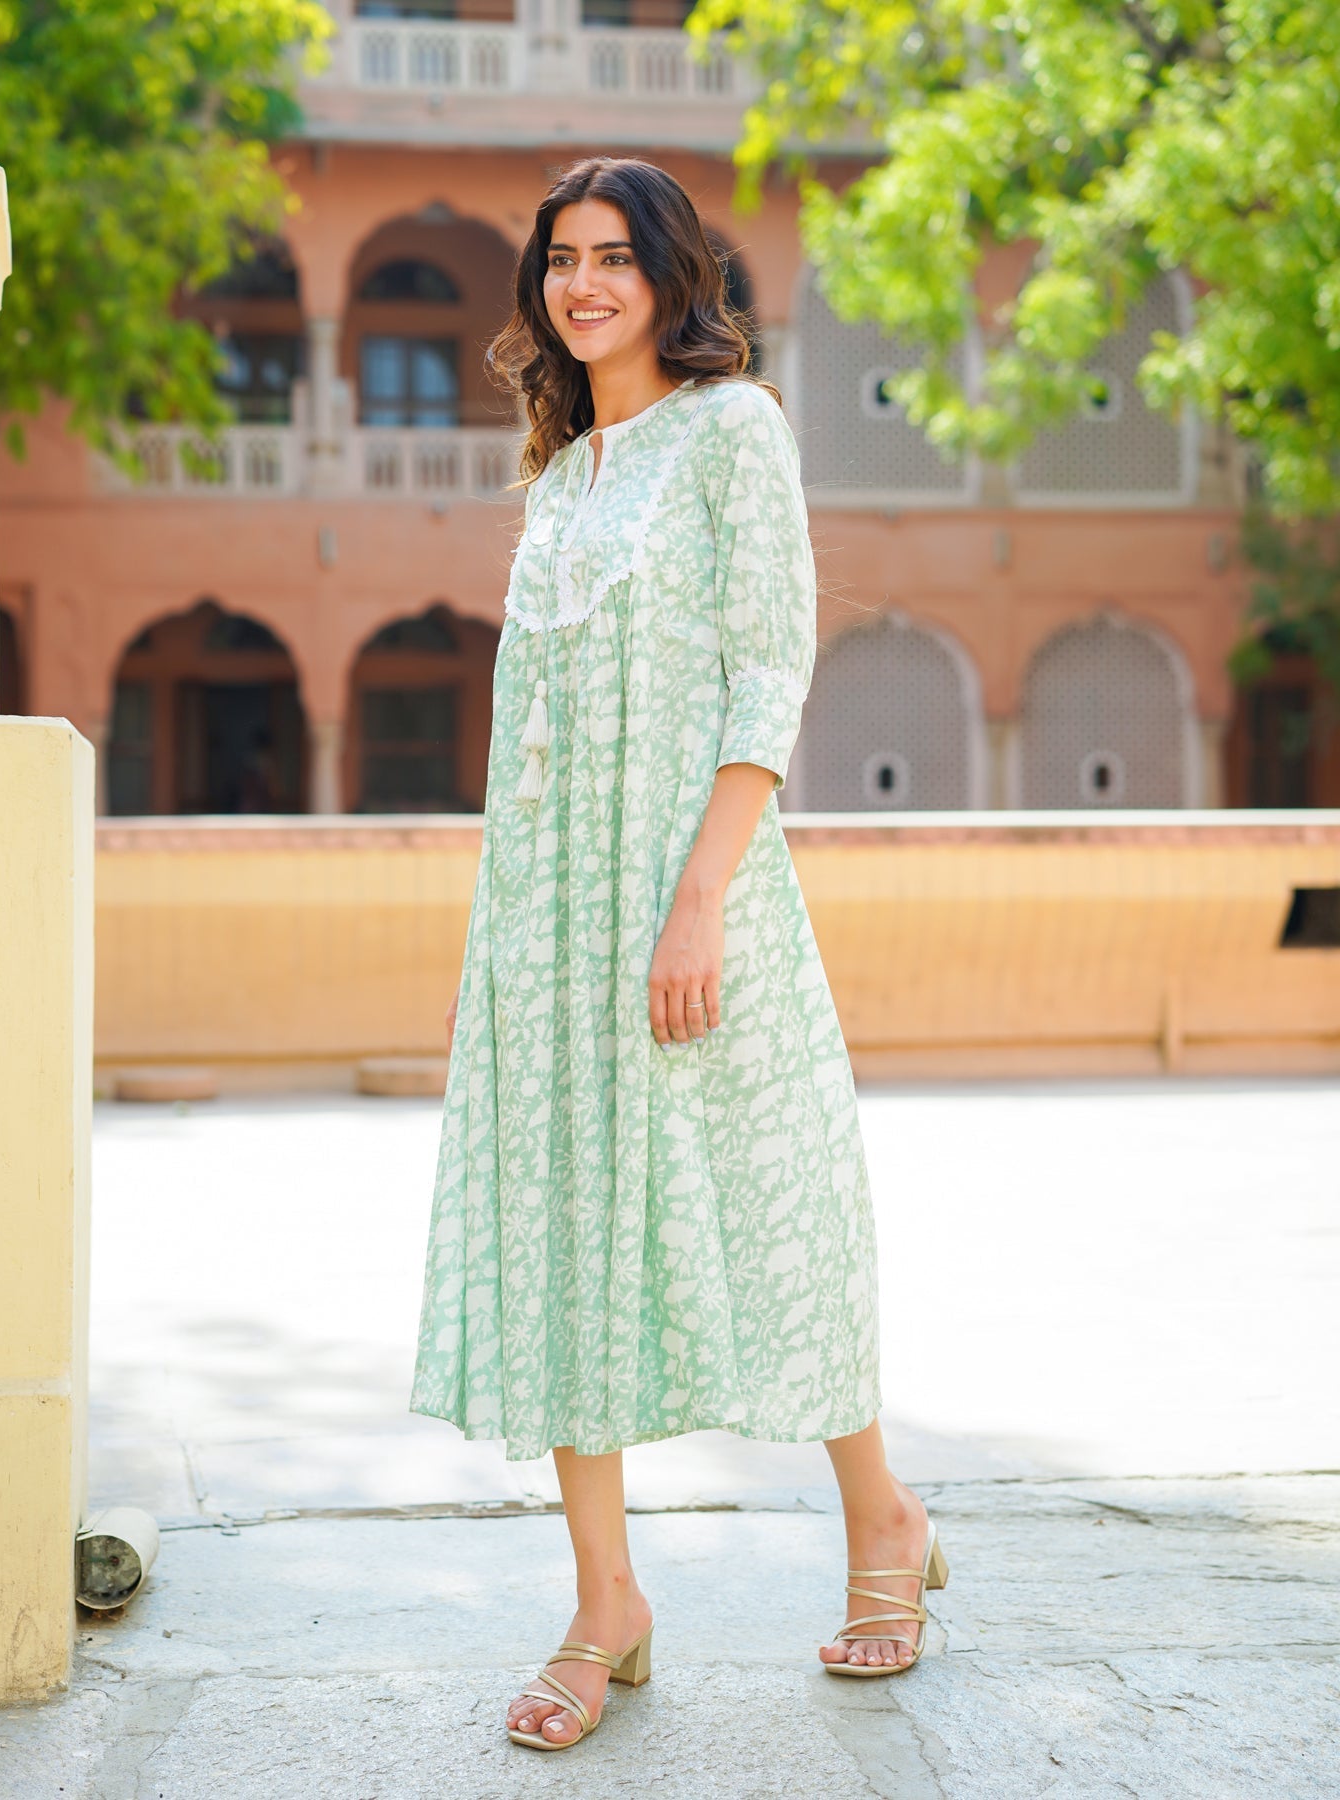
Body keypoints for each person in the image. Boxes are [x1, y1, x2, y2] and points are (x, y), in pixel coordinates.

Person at [409, 155, 946, 1752]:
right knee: (572, 1238)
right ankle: (605, 1603)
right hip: (551, 929)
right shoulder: (561, 475)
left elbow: (766, 670)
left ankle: (883, 1527)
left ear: (669, 278)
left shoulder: (734, 434)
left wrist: (700, 896)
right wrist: (511, 941)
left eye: (613, 260)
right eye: (561, 262)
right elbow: (535, 736)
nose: (583, 288)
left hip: (701, 901)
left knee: (772, 1210)